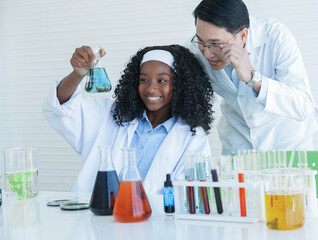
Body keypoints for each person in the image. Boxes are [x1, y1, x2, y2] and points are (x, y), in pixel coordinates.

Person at [42, 44, 214, 194]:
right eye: (143, 79)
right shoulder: (110, 116)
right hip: (97, 221)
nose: (151, 88)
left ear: (180, 85)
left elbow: (192, 195)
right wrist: (78, 74)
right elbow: (62, 106)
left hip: (154, 226)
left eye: (162, 80)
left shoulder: (192, 137)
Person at [185, 0, 318, 155]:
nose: (207, 53)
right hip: (237, 145)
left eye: (216, 44)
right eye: (201, 41)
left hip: (287, 145)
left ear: (243, 35)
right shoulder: (194, 50)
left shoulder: (275, 36)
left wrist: (253, 79)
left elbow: (304, 106)